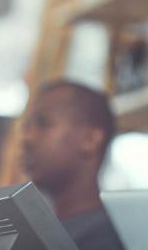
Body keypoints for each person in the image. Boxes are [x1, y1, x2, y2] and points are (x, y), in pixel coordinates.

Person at [21, 80, 125, 250]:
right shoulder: (46, 232)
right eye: (27, 126)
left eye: (43, 124)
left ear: (89, 140)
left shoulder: (106, 238)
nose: (27, 138)